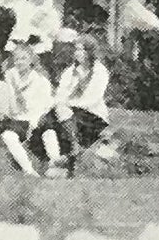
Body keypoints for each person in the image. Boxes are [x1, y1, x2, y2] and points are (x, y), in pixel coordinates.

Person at [36, 32, 111, 176]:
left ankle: (69, 152)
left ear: (90, 52)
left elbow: (93, 99)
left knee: (59, 115)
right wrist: (62, 105)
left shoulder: (99, 71)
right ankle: (56, 162)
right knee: (48, 123)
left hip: (92, 116)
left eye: (81, 49)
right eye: (76, 49)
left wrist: (68, 105)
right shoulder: (69, 72)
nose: (77, 53)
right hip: (69, 116)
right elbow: (60, 95)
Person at [0, 44, 55, 176]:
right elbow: (9, 104)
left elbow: (46, 104)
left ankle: (54, 165)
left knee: (49, 131)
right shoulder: (10, 77)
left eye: (23, 58)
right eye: (17, 59)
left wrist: (35, 120)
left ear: (31, 60)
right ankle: (29, 170)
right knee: (8, 136)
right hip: (18, 119)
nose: (19, 62)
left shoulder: (40, 79)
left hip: (37, 118)